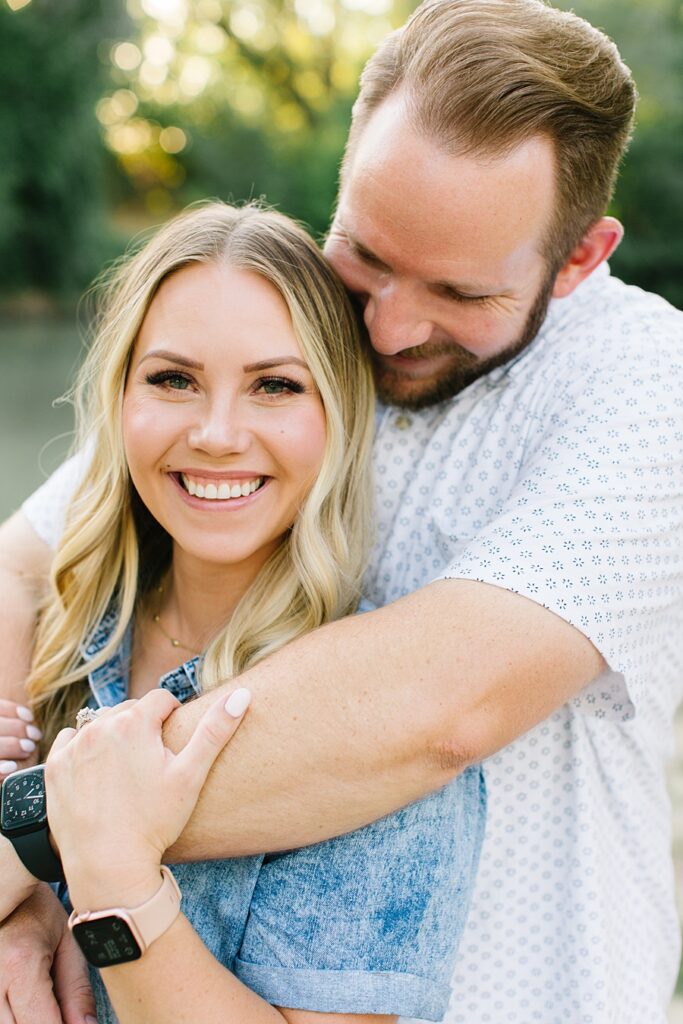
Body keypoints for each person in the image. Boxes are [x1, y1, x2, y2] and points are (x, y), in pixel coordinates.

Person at [1, 0, 682, 1020]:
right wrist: (28, 904)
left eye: (457, 291)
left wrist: (47, 839)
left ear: (579, 257)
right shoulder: (300, 328)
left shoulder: (645, 387)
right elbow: (29, 559)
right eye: (364, 250)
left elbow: (430, 711)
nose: (388, 325)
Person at [0, 200, 485, 1024]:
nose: (218, 434)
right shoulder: (63, 631)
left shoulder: (374, 726)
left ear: (337, 416)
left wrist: (116, 886)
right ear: (120, 400)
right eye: (173, 379)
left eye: (274, 386)